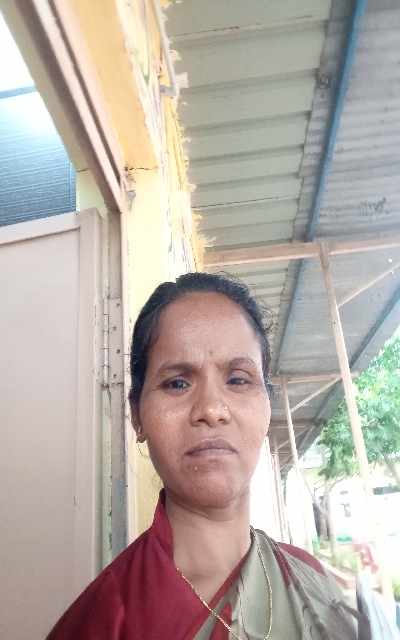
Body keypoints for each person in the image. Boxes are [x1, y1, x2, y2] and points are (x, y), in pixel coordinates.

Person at [47, 272, 365, 639]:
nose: (212, 409)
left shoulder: (312, 584)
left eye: (238, 379)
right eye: (177, 383)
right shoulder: (100, 621)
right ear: (137, 416)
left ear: (267, 405)